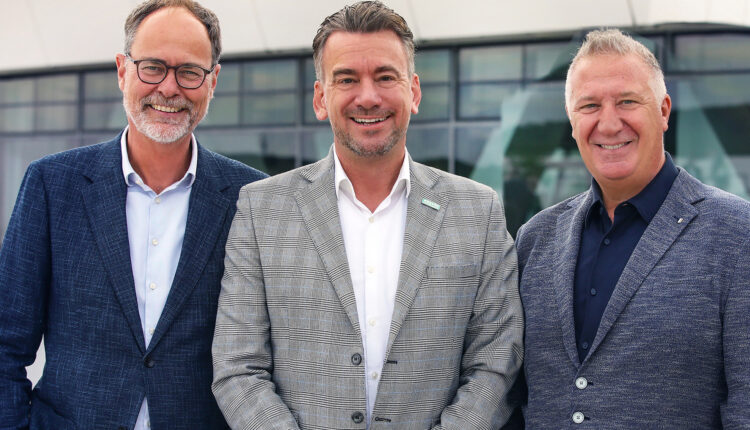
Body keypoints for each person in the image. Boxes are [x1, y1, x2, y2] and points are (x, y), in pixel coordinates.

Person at [211, 1, 523, 429]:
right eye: (346, 79)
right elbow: (238, 368)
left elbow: (496, 361)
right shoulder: (261, 210)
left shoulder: (477, 212)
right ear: (321, 98)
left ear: (414, 91)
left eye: (385, 77)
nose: (369, 96)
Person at [0, 0, 266, 428]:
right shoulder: (53, 184)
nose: (169, 88)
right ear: (123, 70)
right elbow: (5, 341)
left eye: (189, 71)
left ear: (213, 81)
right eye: (153, 67)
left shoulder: (250, 197)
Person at [515, 29, 750, 428]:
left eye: (627, 101)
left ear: (663, 110)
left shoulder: (737, 234)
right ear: (572, 121)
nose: (608, 124)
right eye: (589, 105)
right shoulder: (536, 238)